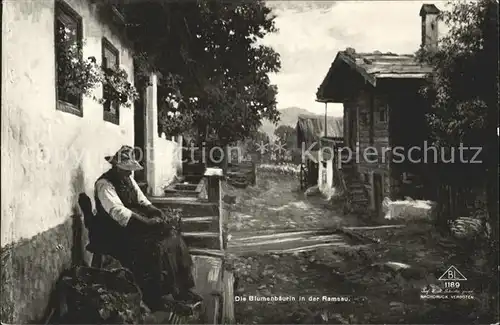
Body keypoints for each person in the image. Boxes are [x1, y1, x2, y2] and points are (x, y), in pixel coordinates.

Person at [91, 145, 202, 311]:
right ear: (116, 167)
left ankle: (181, 289)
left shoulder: (128, 179)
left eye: (130, 170)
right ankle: (154, 298)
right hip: (114, 231)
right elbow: (118, 212)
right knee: (155, 247)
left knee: (173, 238)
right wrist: (147, 222)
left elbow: (142, 201)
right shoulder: (104, 184)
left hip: (134, 225)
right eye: (126, 169)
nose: (129, 173)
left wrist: (156, 211)